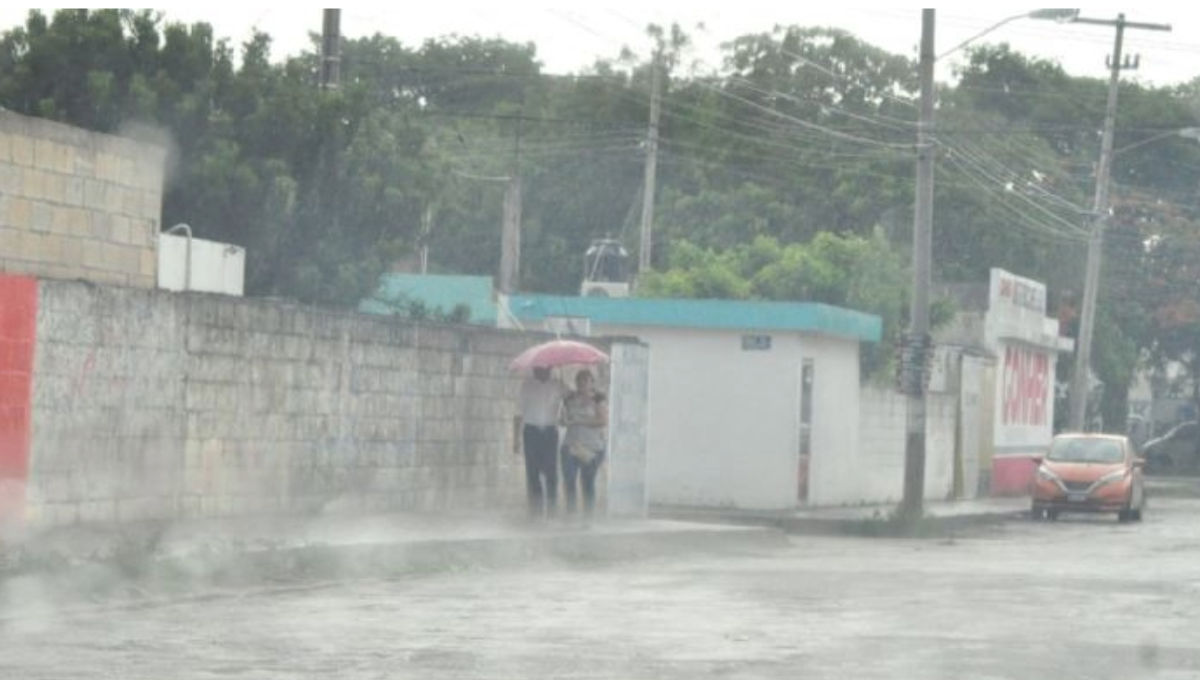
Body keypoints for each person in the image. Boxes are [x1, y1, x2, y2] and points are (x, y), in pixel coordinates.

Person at [516, 365, 567, 520]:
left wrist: (565, 408)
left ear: (551, 367)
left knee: (551, 472)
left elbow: (572, 399)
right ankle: (535, 511)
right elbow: (518, 413)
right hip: (531, 432)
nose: (543, 369)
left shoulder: (558, 384)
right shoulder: (527, 385)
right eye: (539, 367)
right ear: (534, 368)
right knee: (532, 472)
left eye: (546, 367)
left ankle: (552, 510)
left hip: (550, 432)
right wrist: (515, 439)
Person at [560, 369, 608, 525]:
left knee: (587, 481)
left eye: (586, 381)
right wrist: (563, 419)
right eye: (579, 381)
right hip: (572, 445)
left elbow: (602, 421)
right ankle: (571, 514)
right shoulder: (569, 399)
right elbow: (564, 419)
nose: (582, 384)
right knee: (569, 478)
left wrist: (579, 420)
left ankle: (588, 517)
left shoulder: (598, 400)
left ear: (592, 383)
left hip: (591, 448)